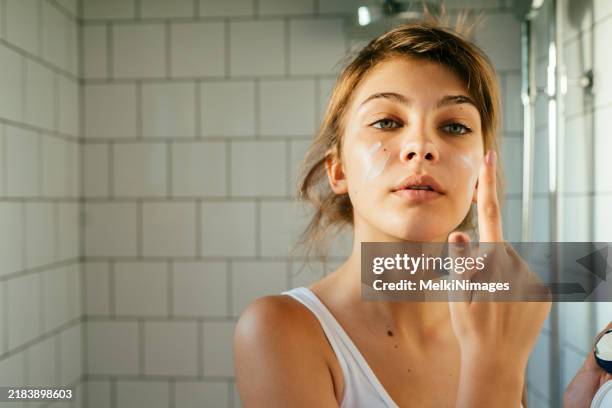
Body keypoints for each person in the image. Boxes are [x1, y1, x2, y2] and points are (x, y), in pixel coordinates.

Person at [233, 17, 554, 407]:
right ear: (338, 169)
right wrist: (494, 372)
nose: (421, 145)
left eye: (454, 126)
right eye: (386, 122)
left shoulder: (490, 322)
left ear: (479, 173)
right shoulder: (280, 330)